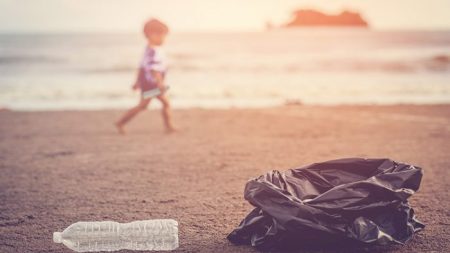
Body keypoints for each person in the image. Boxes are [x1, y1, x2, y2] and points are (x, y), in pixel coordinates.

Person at [116, 18, 175, 134]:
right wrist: (160, 84)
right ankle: (120, 123)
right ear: (151, 35)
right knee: (147, 105)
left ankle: (169, 127)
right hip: (153, 86)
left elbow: (141, 67)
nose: (164, 39)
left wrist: (137, 82)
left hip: (149, 85)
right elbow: (153, 70)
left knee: (157, 104)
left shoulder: (149, 50)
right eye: (162, 36)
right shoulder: (153, 51)